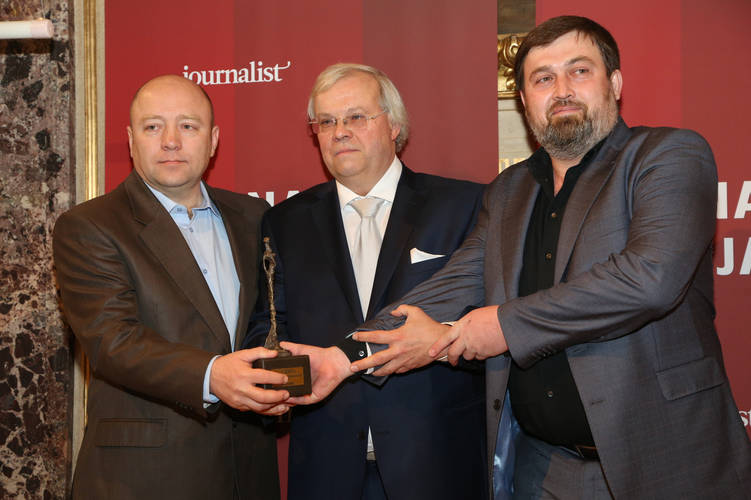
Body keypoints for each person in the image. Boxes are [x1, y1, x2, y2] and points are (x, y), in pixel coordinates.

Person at [287, 16, 751, 499]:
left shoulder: (666, 155)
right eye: (543, 78)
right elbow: (451, 287)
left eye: (579, 71)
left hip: (665, 460)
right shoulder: (510, 190)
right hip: (543, 470)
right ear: (524, 100)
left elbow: (649, 279)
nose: (562, 90)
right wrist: (342, 357)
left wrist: (501, 326)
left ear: (614, 83)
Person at [245, 63, 487, 500]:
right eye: (326, 122)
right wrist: (271, 383)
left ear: (394, 126)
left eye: (356, 117)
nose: (340, 132)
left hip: (438, 463)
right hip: (326, 470)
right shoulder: (284, 222)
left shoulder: (465, 205)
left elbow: (488, 325)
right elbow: (271, 326)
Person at [53, 75, 289, 499]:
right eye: (153, 126)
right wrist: (212, 375)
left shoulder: (254, 216)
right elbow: (113, 341)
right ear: (131, 140)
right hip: (145, 477)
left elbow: (270, 320)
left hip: (248, 471)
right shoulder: (89, 226)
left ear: (213, 140)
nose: (171, 141)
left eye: (188, 125)